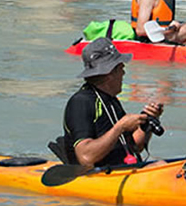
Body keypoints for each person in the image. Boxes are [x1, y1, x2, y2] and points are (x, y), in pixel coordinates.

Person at [59, 37, 164, 169]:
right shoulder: (81, 102)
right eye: (121, 68)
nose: (123, 73)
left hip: (122, 171)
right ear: (110, 73)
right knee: (161, 166)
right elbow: (86, 157)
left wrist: (148, 120)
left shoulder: (110, 100)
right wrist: (120, 127)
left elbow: (135, 147)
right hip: (96, 176)